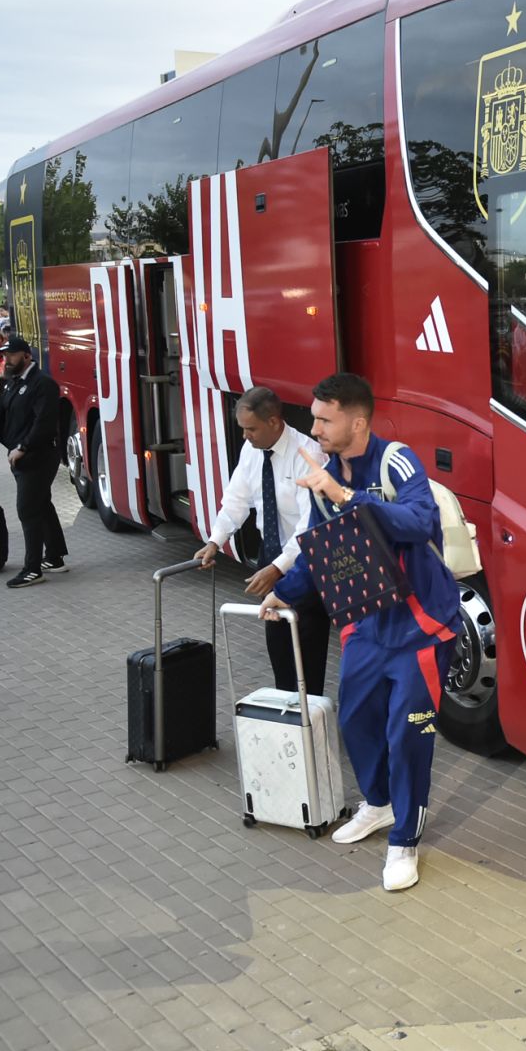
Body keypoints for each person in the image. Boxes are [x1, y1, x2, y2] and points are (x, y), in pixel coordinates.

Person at [260, 373, 455, 893]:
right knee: (356, 722)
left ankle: (405, 842)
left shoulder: (396, 460)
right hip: (366, 622)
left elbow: (419, 522)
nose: (315, 427)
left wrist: (343, 494)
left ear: (358, 421)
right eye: (316, 417)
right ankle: (379, 803)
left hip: (420, 626)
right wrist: (286, 590)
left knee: (407, 736)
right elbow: (322, 549)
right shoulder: (323, 473)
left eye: (325, 419)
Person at [194, 385, 331, 697]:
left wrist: (278, 568)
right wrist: (215, 541)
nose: (245, 436)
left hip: (303, 568)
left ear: (274, 421)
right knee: (281, 654)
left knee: (307, 660)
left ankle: (311, 724)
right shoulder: (251, 450)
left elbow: (310, 526)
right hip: (272, 557)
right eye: (242, 429)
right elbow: (236, 500)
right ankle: (290, 722)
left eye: (251, 429)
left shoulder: (308, 455)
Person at [0, 337, 67, 588]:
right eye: (5, 355)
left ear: (27, 356)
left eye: (12, 355)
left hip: (37, 456)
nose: (7, 360)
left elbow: (45, 423)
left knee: (27, 509)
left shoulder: (43, 384)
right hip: (22, 455)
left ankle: (32, 569)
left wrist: (23, 447)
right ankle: (55, 557)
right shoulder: (13, 383)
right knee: (41, 503)